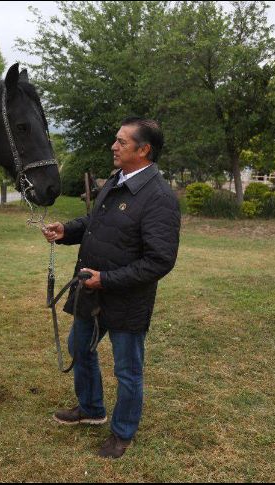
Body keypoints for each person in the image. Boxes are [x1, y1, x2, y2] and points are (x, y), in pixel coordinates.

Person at [42, 117, 181, 459]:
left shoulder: (160, 197)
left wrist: (107, 279)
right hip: (92, 290)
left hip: (126, 299)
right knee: (80, 345)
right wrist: (68, 230)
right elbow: (96, 223)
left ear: (144, 150)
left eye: (121, 142)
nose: (113, 146)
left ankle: (123, 432)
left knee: (127, 369)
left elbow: (159, 261)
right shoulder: (118, 180)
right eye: (115, 140)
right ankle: (91, 408)